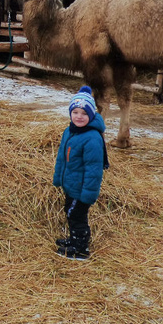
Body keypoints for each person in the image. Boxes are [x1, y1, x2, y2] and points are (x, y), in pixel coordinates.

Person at [52, 85, 109, 260]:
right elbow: (62, 158)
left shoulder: (91, 138)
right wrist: (58, 178)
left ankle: (81, 249)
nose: (79, 117)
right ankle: (74, 240)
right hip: (71, 185)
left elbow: (94, 171)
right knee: (69, 211)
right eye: (75, 112)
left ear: (91, 115)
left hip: (82, 189)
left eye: (84, 114)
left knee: (77, 216)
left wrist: (88, 195)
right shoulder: (70, 131)